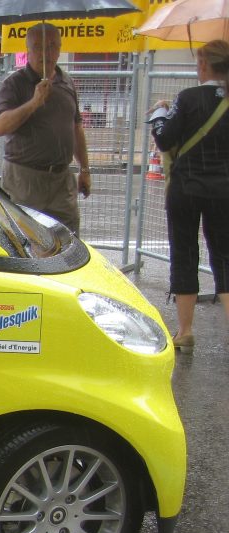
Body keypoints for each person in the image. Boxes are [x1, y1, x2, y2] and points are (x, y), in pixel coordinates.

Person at [149, 39, 229, 352]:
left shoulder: (188, 97)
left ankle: (185, 331)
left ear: (204, 65)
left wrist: (160, 112)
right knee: (224, 257)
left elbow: (164, 138)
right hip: (223, 189)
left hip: (186, 188)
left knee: (184, 253)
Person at [0, 23, 91, 234]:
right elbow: (0, 126)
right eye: (38, 47)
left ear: (59, 49)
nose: (45, 53)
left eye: (52, 46)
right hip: (25, 181)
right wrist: (34, 103)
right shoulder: (14, 84)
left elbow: (76, 128)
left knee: (70, 238)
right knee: (27, 240)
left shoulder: (67, 82)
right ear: (28, 51)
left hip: (61, 182)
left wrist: (84, 169)